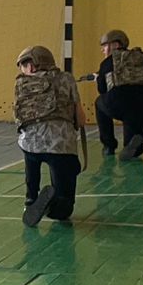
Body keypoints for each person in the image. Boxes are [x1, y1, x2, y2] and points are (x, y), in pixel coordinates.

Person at [14, 45, 88, 227]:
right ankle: (54, 205)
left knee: (31, 159)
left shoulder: (20, 83)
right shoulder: (66, 78)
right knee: (64, 208)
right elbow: (80, 118)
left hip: (30, 144)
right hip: (61, 143)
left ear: (31, 65)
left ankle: (31, 199)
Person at [95, 29, 143, 160]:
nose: (103, 50)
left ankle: (109, 145)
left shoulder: (108, 62)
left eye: (105, 45)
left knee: (99, 103)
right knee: (133, 138)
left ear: (116, 45)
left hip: (117, 105)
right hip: (142, 106)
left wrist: (100, 78)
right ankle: (136, 144)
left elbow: (102, 90)